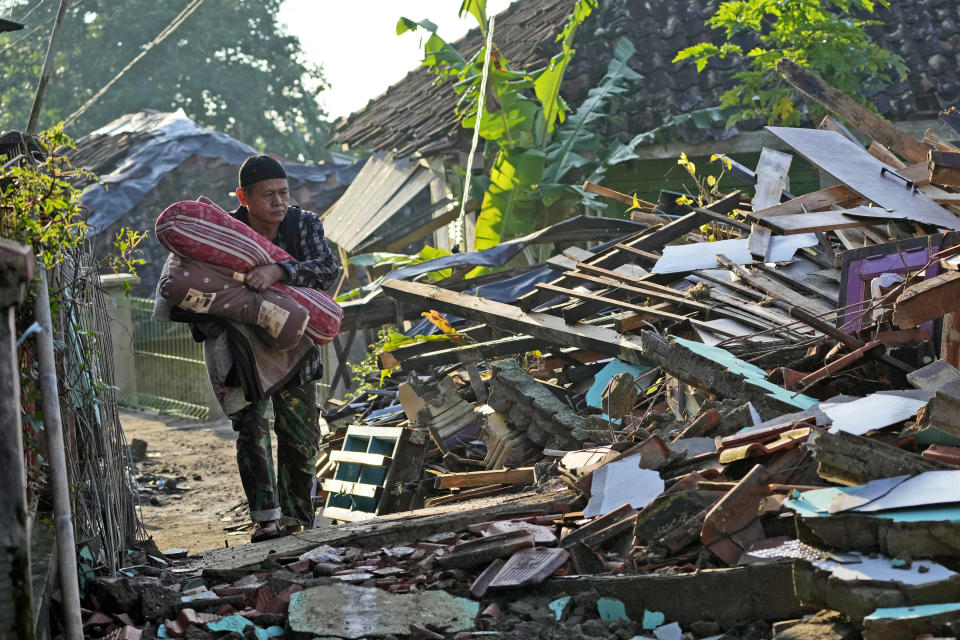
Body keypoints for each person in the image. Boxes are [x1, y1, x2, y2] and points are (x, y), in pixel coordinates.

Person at [226, 154, 339, 542]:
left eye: (284, 192)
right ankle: (266, 519)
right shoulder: (228, 230)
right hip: (245, 350)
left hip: (298, 348)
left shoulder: (303, 223)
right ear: (243, 197)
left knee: (298, 432)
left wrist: (280, 270)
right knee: (251, 430)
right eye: (268, 194)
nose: (279, 202)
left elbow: (327, 269)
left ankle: (298, 521)